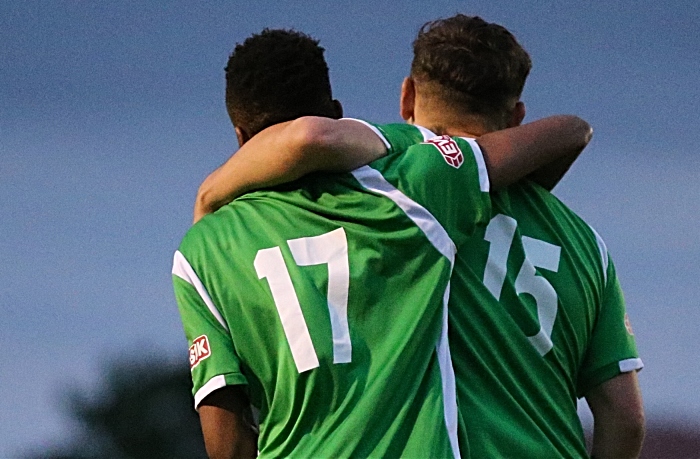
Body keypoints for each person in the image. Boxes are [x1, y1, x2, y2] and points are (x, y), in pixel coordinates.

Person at [195, 16, 645, 459]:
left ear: (406, 95)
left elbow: (308, 139)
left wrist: (210, 194)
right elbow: (625, 418)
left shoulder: (395, 192)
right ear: (517, 117)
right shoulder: (586, 244)